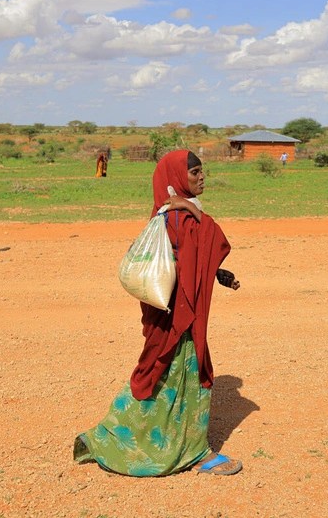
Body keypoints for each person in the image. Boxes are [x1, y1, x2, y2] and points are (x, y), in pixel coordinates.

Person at [74, 150, 243, 476]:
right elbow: (210, 241)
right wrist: (192, 209)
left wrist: (217, 273)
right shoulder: (182, 218)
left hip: (170, 314)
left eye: (202, 171)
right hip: (180, 319)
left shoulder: (162, 215)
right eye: (194, 172)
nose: (202, 177)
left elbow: (187, 262)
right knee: (186, 376)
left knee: (156, 371)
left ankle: (112, 434)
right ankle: (196, 453)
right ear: (177, 178)